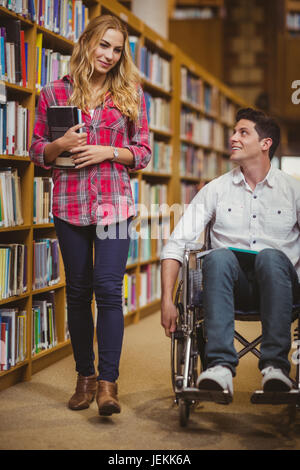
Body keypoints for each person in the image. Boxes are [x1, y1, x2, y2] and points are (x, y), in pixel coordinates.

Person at [29, 15, 151, 416]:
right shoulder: (52, 93)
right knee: (78, 293)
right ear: (87, 43)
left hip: (114, 205)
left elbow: (144, 152)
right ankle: (84, 376)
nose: (109, 56)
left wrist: (108, 152)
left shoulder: (131, 94)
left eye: (117, 50)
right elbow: (37, 153)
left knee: (110, 291)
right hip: (68, 205)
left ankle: (107, 385)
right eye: (104, 46)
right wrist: (59, 143)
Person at [161, 108, 300, 397]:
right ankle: (220, 367)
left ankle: (275, 368)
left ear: (265, 144)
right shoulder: (216, 190)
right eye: (234, 131)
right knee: (219, 256)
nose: (233, 137)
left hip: (282, 288)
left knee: (271, 256)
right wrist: (166, 299)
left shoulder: (292, 190)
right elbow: (176, 243)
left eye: (243, 132)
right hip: (227, 288)